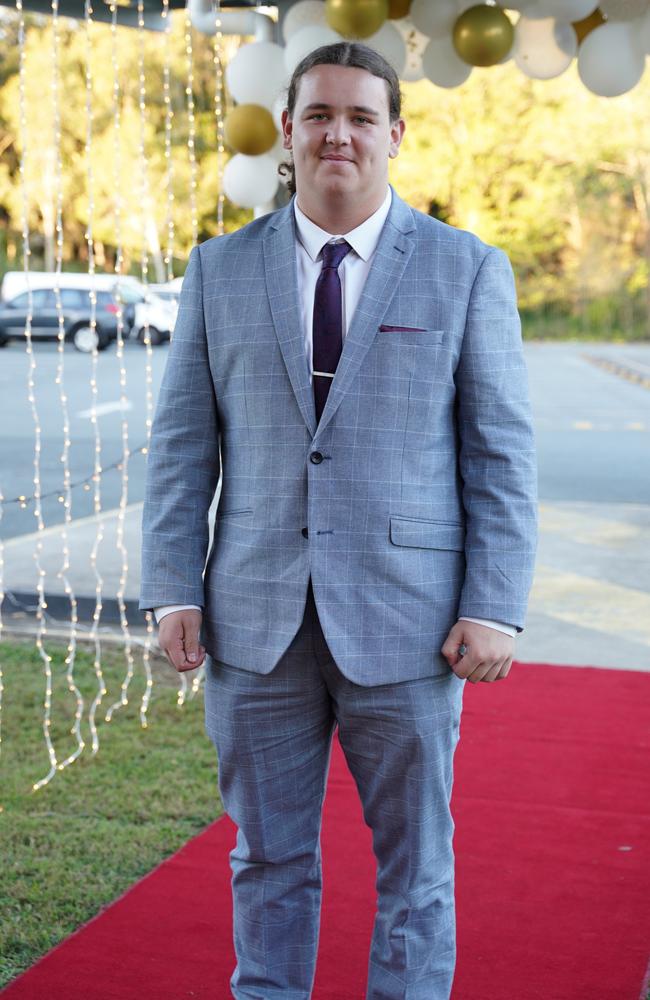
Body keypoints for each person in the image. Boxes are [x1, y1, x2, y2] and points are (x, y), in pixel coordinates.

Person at [139, 41, 537, 1000]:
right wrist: (170, 589)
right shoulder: (217, 270)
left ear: (395, 135)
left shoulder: (466, 270)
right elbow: (183, 446)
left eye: (361, 117)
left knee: (416, 872)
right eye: (319, 114)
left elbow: (500, 455)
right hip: (253, 622)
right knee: (267, 861)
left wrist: (498, 604)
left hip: (410, 625)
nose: (339, 134)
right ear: (287, 129)